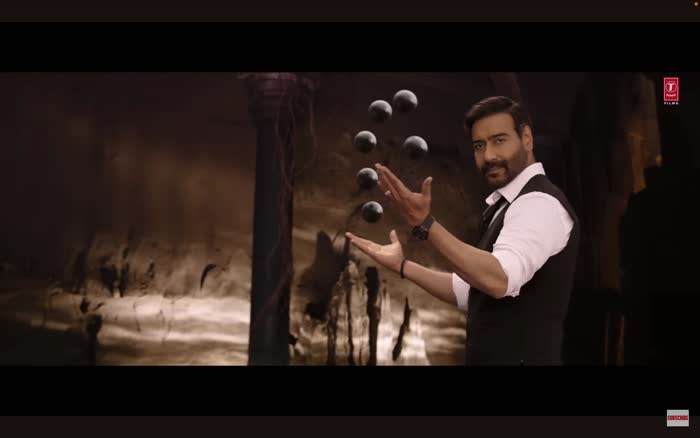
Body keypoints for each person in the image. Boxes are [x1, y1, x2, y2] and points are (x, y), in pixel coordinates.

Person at [346, 96, 580, 366]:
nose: (488, 156)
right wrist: (403, 266)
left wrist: (426, 224)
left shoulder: (538, 203)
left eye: (499, 140)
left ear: (526, 139)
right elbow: (470, 290)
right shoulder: (507, 206)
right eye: (479, 145)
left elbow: (499, 279)